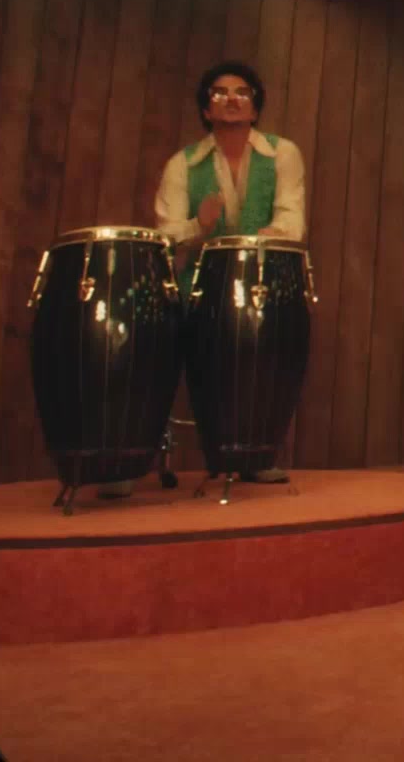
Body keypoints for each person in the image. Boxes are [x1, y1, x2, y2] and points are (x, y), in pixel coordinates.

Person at [116, 61, 306, 495]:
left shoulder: (283, 154)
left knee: (261, 364)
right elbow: (166, 236)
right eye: (220, 93)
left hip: (264, 283)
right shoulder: (182, 164)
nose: (232, 100)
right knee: (151, 344)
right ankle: (126, 461)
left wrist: (264, 238)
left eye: (243, 92)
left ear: (255, 108)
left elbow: (292, 220)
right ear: (206, 110)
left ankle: (254, 456)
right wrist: (197, 226)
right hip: (199, 286)